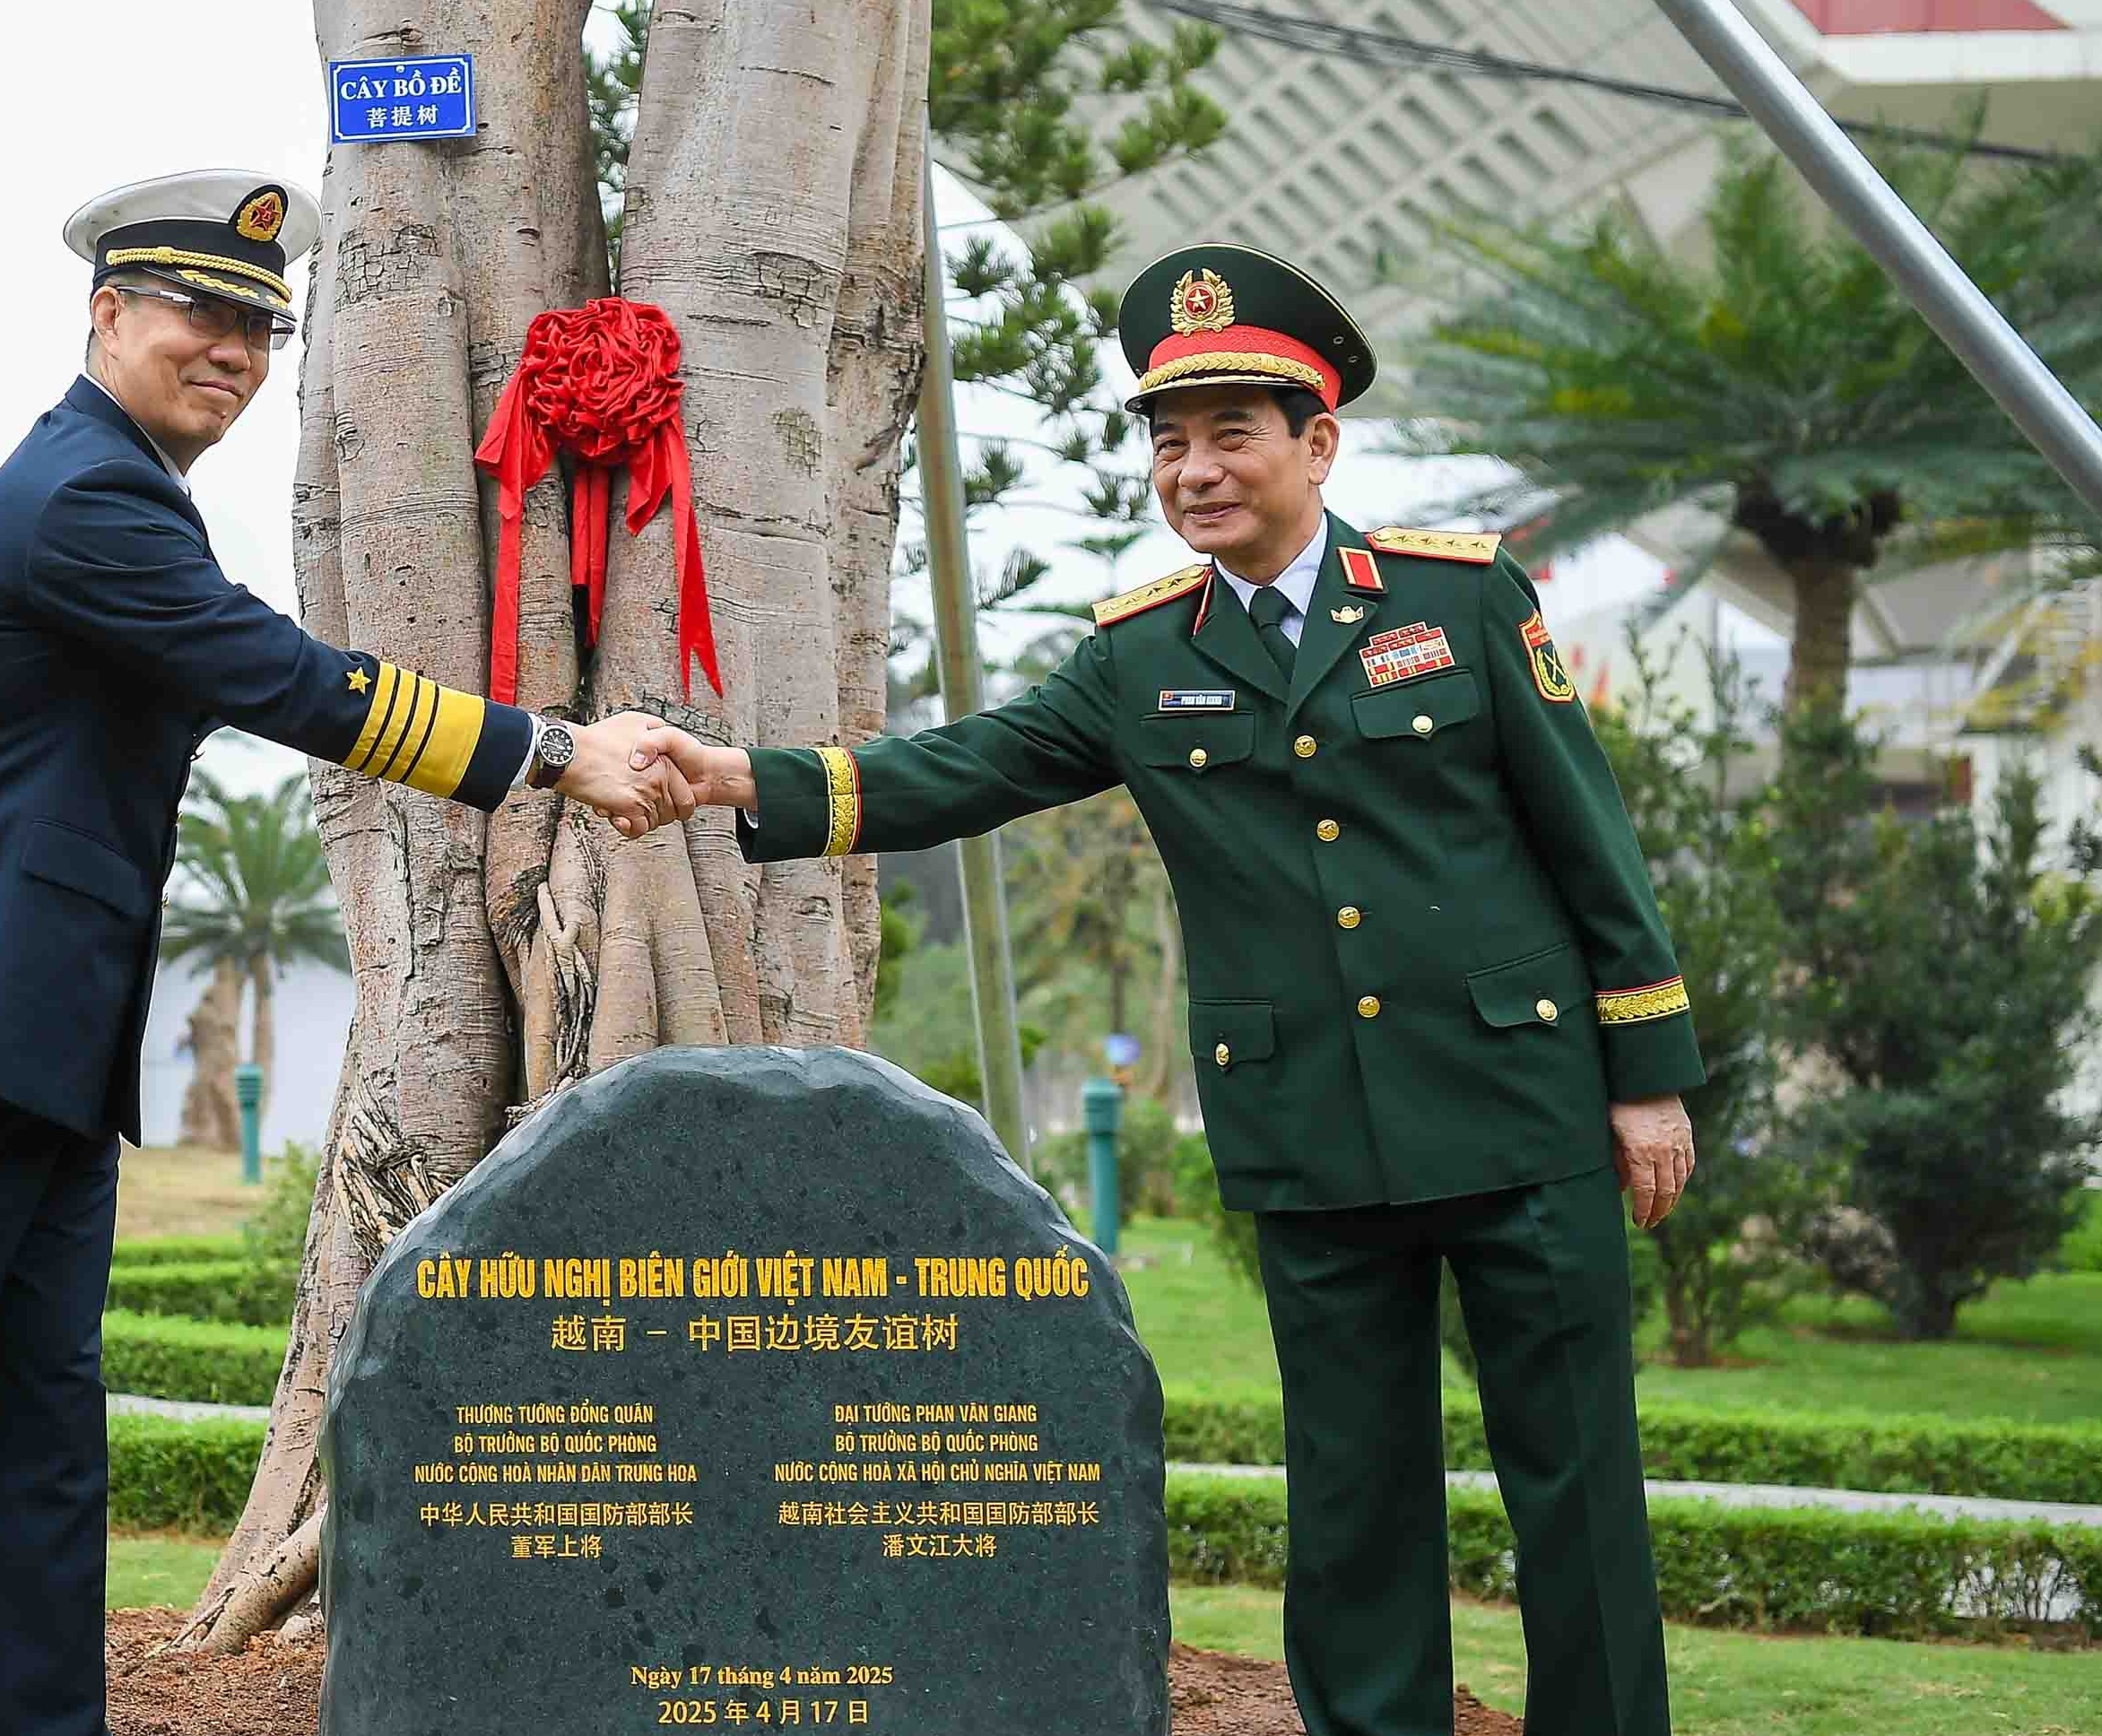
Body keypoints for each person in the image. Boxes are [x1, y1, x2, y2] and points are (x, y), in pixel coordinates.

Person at [0, 169, 682, 1736]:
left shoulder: (122, 486)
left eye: (261, 328)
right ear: (107, 313)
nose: (233, 350)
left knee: (32, 1461)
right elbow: (288, 680)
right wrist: (552, 751)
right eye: (201, 312)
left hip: (30, 1058)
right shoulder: (84, 498)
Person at [638, 244, 1701, 1736]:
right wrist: (742, 777)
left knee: (1577, 1484)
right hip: (1314, 1138)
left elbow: (1590, 843)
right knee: (1350, 1495)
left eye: (1229, 437)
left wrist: (1643, 1076)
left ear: (1314, 444)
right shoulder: (1141, 656)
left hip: (1521, 1112)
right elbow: (971, 765)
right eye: (1166, 443)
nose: (1192, 472)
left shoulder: (1459, 602)